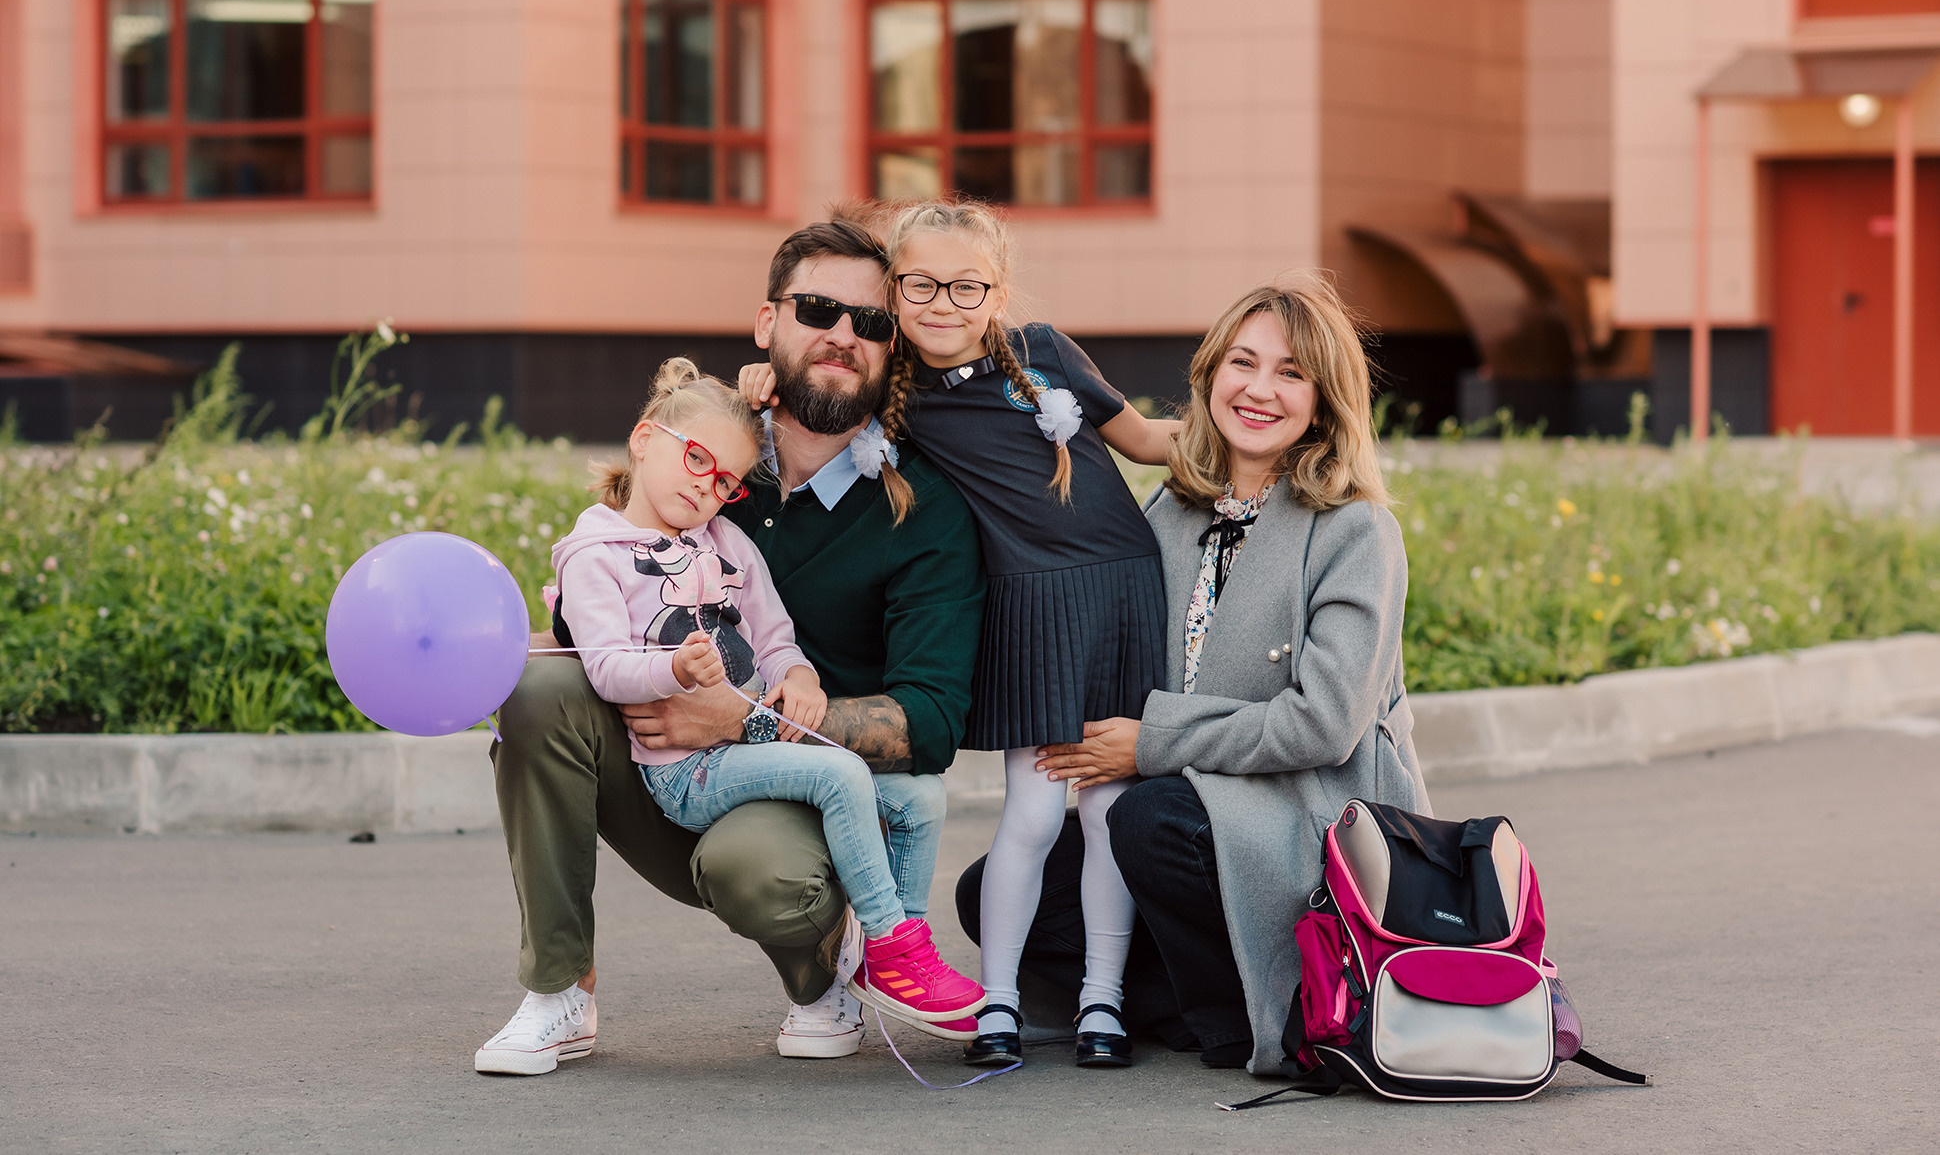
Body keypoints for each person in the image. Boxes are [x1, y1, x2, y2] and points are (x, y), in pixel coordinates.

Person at [478, 219, 985, 1075]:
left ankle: (823, 976)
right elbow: (617, 591)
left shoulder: (921, 510)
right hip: (656, 757)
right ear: (767, 322)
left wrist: (740, 719)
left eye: (870, 322)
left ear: (892, 347)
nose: (842, 335)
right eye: (820, 308)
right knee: (534, 693)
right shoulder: (713, 457)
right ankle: (560, 989)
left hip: (789, 807)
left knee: (763, 870)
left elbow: (929, 721)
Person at [745, 199, 1180, 1070]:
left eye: (966, 286)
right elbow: (816, 383)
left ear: (999, 290)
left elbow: (1148, 440)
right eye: (921, 286)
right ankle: (1000, 1001)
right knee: (1028, 813)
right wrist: (750, 382)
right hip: (1029, 611)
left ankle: (1104, 999)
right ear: (895, 293)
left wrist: (1265, 451)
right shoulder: (893, 394)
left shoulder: (1044, 352)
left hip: (1122, 591)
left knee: (1105, 809)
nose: (943, 303)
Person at [966, 273, 1431, 1076]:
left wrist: (1149, 744)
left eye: (1291, 373)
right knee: (992, 891)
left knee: (1148, 820)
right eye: (1242, 363)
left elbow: (1322, 722)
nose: (1258, 389)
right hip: (1187, 808)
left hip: (1307, 818)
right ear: (1211, 371)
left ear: (1325, 399)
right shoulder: (1175, 509)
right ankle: (1182, 997)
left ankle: (1270, 1015)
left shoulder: (1357, 530)